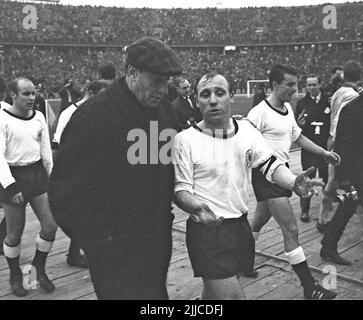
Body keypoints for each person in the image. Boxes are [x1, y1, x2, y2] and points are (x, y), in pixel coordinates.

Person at [173, 71, 333, 300]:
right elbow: (180, 189)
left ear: (231, 97)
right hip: (206, 232)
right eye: (205, 94)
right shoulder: (185, 140)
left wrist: (292, 181)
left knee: (213, 295)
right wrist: (196, 208)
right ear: (197, 101)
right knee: (232, 297)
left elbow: (269, 164)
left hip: (239, 226)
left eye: (220, 92)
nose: (213, 99)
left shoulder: (246, 131)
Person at [48, 37, 183, 300]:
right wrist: (101, 242)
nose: (163, 89)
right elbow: (64, 192)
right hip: (114, 250)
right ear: (132, 73)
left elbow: (166, 169)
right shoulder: (94, 116)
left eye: (167, 82)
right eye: (156, 80)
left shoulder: (164, 111)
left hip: (156, 240)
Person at [247, 64, 339, 300]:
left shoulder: (287, 108)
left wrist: (323, 153)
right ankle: (309, 287)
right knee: (291, 229)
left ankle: (241, 261)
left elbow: (297, 136)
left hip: (285, 172)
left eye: (296, 85)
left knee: (258, 221)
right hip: (266, 175)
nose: (295, 90)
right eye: (290, 85)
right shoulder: (258, 113)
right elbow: (245, 146)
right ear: (275, 85)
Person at [0, 77, 58, 297]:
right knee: (15, 232)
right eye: (26, 94)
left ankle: (37, 271)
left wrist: (53, 179)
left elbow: (46, 153)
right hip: (13, 176)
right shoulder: (2, 118)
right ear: (13, 95)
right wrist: (11, 186)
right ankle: (15, 276)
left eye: (33, 93)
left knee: (50, 225)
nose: (32, 98)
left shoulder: (39, 117)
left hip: (36, 175)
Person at [52, 80, 109, 268]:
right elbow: (58, 142)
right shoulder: (70, 112)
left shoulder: (102, 111)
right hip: (75, 168)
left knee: (92, 210)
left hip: (95, 167)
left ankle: (76, 251)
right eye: (102, 94)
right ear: (90, 93)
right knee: (77, 210)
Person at [320, 66, 362, 266]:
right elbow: (342, 145)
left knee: (348, 207)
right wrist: (345, 179)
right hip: (354, 171)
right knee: (347, 206)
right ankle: (328, 246)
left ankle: (327, 246)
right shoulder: (352, 108)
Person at [295, 75, 330, 222]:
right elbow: (296, 124)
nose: (311, 88)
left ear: (320, 84)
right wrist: (300, 123)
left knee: (327, 178)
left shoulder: (328, 101)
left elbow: (333, 121)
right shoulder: (302, 103)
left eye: (314, 84)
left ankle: (327, 207)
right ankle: (305, 210)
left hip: (324, 146)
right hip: (309, 147)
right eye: (308, 85)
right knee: (306, 178)